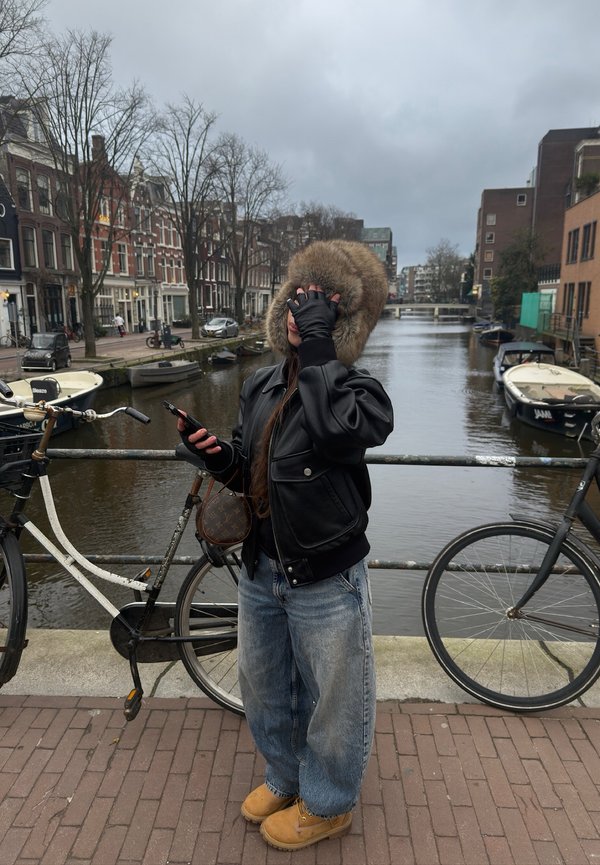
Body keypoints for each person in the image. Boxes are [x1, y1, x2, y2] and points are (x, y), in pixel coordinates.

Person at [177, 240, 394, 851]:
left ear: (342, 321)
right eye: (296, 302)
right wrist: (216, 455)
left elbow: (333, 432)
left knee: (335, 698)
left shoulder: (360, 391)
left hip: (327, 576)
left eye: (319, 305)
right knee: (264, 684)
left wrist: (324, 350)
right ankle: (285, 775)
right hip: (262, 565)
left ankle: (328, 803)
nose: (302, 315)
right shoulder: (261, 384)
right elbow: (254, 465)